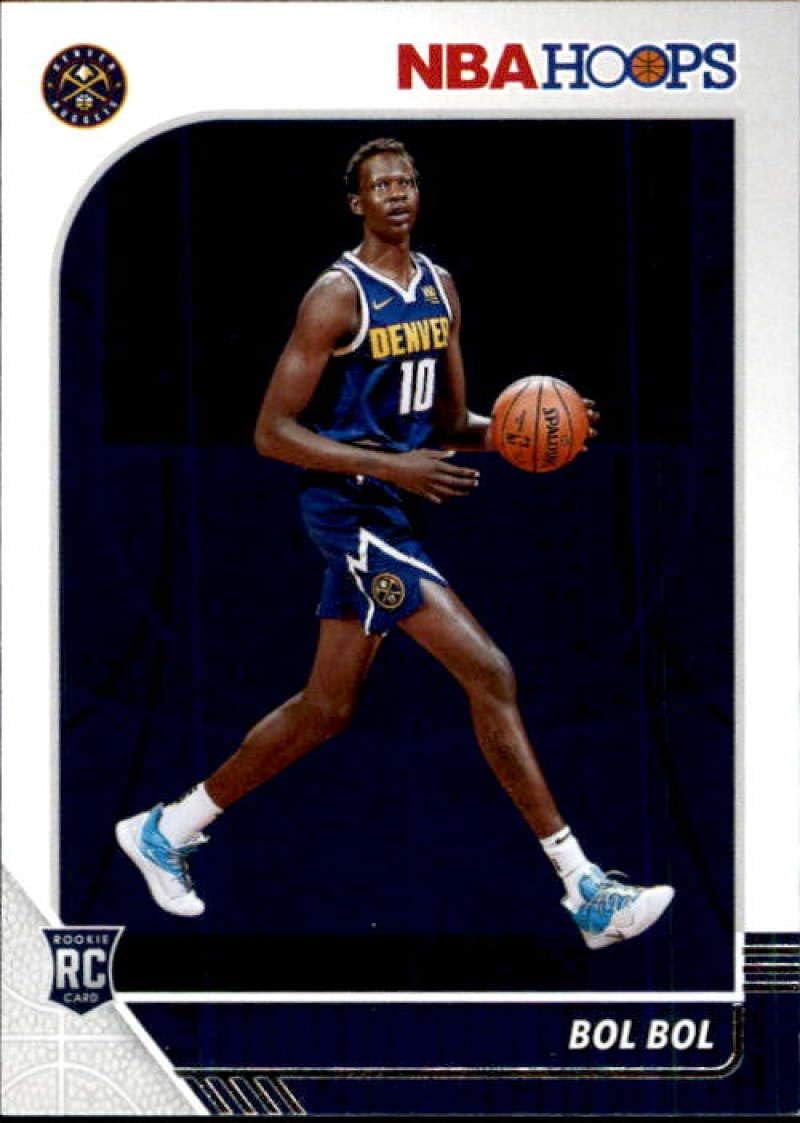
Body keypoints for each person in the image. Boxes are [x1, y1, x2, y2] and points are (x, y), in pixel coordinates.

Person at [116, 137, 674, 950]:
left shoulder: (441, 287)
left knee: (325, 709)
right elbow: (271, 433)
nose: (398, 192)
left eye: (407, 180)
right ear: (357, 203)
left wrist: (536, 435)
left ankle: (167, 827)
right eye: (381, 185)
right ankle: (584, 887)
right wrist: (392, 467)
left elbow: (448, 425)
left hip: (389, 506)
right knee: (489, 670)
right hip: (346, 509)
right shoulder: (335, 296)